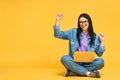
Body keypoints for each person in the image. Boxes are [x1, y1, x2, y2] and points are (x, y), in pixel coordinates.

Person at [54, 13, 105, 78]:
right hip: (74, 61)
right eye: (81, 22)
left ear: (89, 22)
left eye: (85, 21)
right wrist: (58, 20)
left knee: (101, 61)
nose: (83, 24)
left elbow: (99, 53)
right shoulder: (73, 32)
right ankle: (88, 73)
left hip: (88, 63)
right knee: (64, 58)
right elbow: (57, 34)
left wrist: (102, 41)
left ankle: (74, 71)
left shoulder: (95, 37)